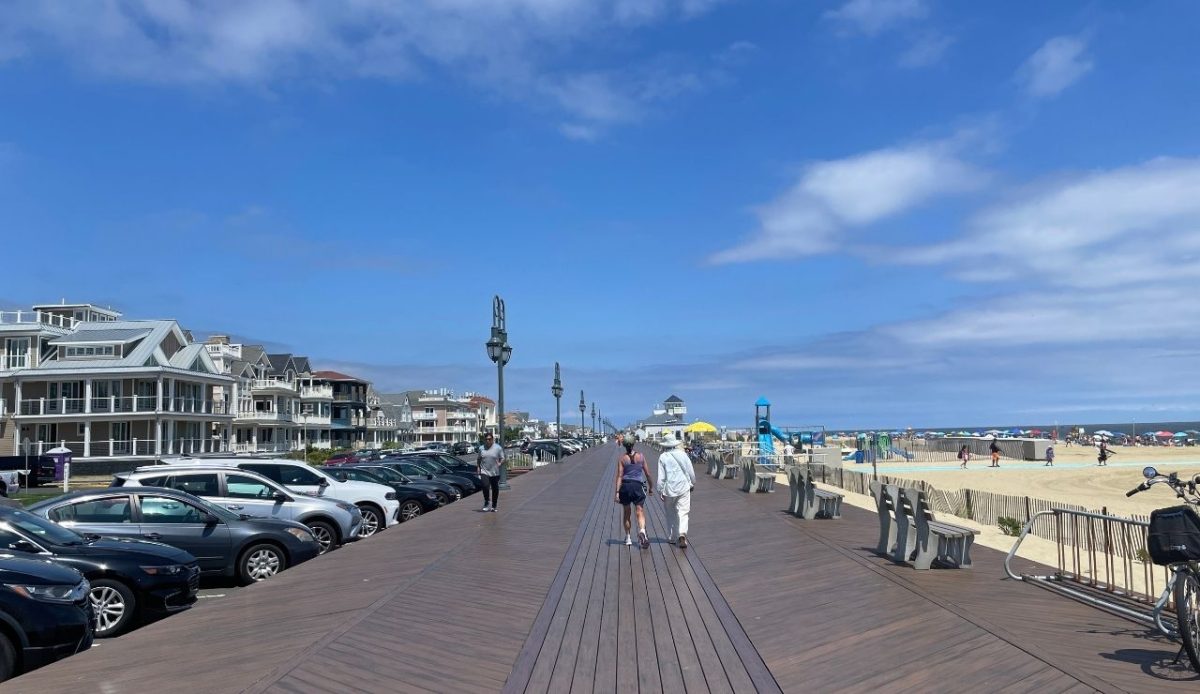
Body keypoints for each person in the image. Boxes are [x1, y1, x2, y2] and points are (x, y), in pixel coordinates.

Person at [657, 433, 696, 549]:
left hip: (669, 489)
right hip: (683, 487)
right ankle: (682, 533)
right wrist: (692, 482)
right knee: (683, 512)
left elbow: (661, 477)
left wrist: (660, 490)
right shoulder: (683, 454)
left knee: (670, 513)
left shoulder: (663, 457)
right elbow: (691, 471)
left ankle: (673, 537)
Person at [615, 436, 654, 547]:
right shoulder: (641, 456)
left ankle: (628, 538)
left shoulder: (622, 459)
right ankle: (642, 530)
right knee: (639, 511)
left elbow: (619, 476)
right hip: (638, 486)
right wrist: (651, 487)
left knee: (627, 513)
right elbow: (648, 474)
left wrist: (617, 492)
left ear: (624, 445)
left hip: (626, 487)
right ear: (633, 444)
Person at [477, 432, 504, 512]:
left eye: (489, 439)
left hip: (495, 472)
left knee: (495, 489)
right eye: (486, 439)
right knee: (485, 486)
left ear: (492, 439)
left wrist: (500, 463)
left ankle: (494, 505)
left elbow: (503, 458)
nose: (488, 441)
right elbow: (479, 459)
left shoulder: (498, 448)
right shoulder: (481, 448)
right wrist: (478, 468)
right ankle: (487, 501)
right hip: (484, 471)